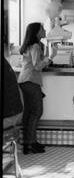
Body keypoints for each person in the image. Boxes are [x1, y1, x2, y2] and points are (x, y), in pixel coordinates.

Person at [18, 22, 57, 154]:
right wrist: (51, 57)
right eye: (42, 29)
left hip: (25, 80)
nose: (45, 30)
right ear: (36, 32)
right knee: (36, 111)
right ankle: (31, 143)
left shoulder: (31, 45)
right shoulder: (35, 46)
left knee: (29, 113)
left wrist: (47, 52)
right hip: (31, 81)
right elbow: (37, 66)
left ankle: (28, 143)